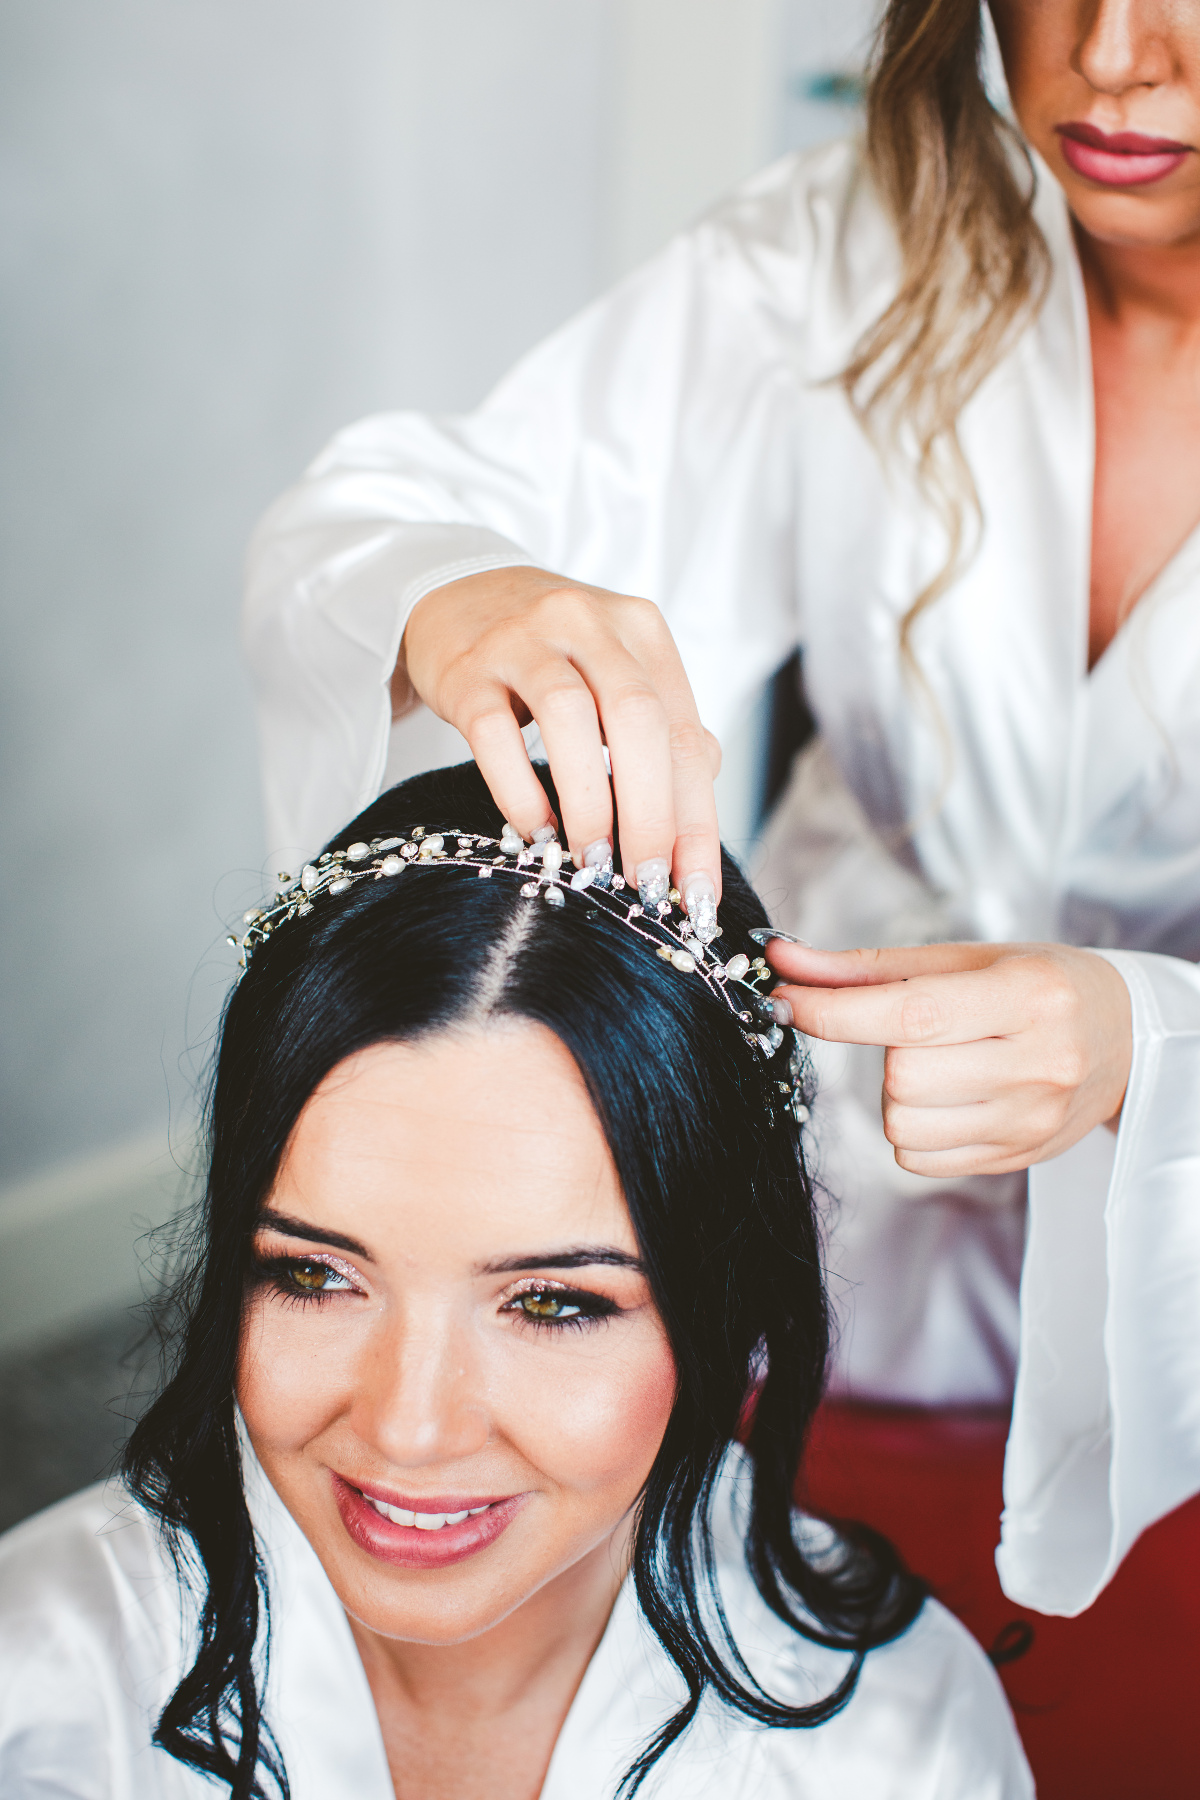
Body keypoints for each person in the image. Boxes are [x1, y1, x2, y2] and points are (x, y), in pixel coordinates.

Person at [242, 0, 1200, 1621]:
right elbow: (384, 504)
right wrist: (461, 588)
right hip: (801, 1214)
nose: (1110, 53)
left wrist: (1150, 1050)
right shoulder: (850, 250)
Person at [0, 765, 1028, 1799]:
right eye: (313, 1274)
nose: (408, 1430)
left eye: (549, 1303)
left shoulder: (901, 1750)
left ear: (725, 1300)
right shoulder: (37, 1694)